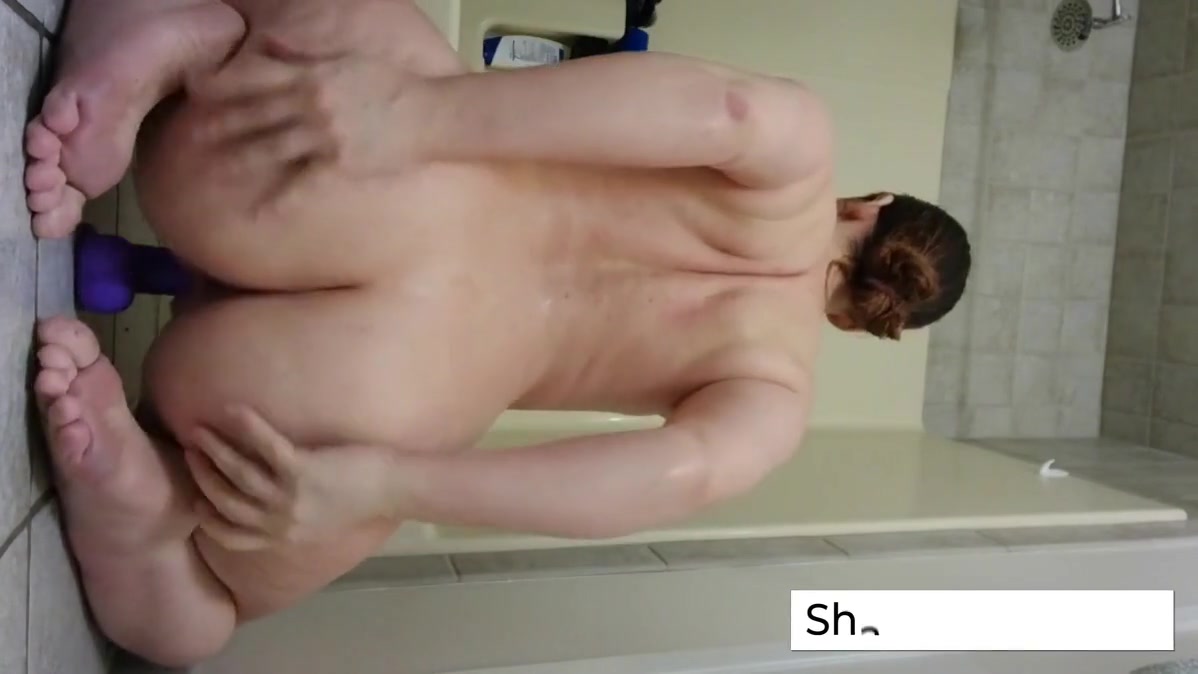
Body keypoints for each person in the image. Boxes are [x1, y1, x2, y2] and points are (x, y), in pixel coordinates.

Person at [29, 0, 972, 667]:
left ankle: (172, 46)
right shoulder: (777, 394)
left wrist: (412, 115)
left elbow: (733, 113)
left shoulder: (801, 154)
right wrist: (379, 481)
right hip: (361, 389)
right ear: (869, 323)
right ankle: (150, 518)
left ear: (873, 204)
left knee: (309, 24)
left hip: (339, 179)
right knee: (195, 622)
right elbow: (678, 474)